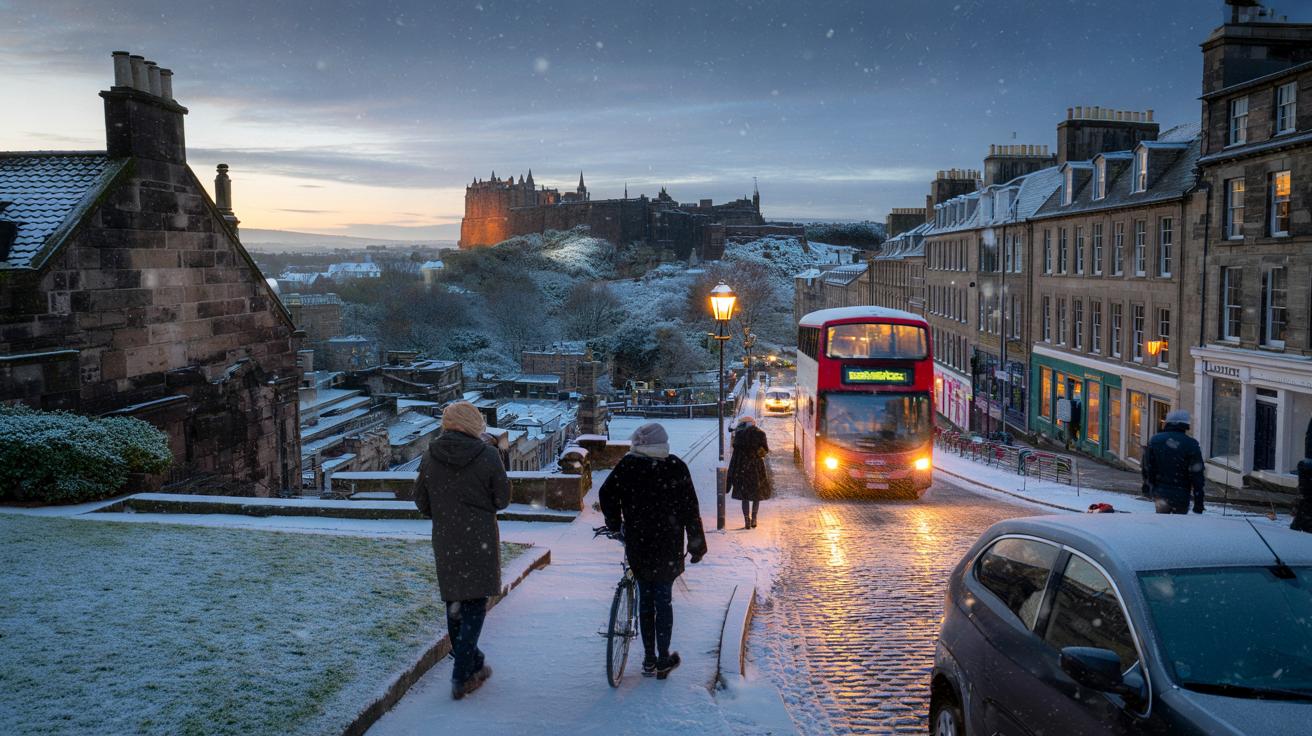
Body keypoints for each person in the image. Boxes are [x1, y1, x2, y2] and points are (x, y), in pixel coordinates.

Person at [415, 401, 511, 700]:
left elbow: (421, 501)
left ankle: (474, 662)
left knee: (455, 603)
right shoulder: (488, 454)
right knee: (474, 605)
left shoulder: (430, 455)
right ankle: (461, 675)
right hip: (479, 537)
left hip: (446, 538)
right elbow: (503, 499)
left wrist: (445, 511)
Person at [598, 422, 707, 680]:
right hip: (667, 545)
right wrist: (696, 544)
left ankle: (648, 658)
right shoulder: (675, 466)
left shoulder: (628, 466)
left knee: (645, 600)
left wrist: (615, 524)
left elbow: (606, 494)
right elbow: (690, 509)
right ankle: (662, 658)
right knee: (663, 600)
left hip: (639, 543)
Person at [1141, 409, 1206, 515]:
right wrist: (1199, 502)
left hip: (1160, 493)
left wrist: (1147, 486)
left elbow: (1147, 467)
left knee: (1162, 522)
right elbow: (1197, 475)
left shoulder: (1155, 440)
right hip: (1182, 495)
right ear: (1186, 426)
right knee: (1178, 525)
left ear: (1167, 423)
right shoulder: (1191, 444)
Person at [727, 415, 773, 528]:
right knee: (757, 495)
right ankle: (754, 519)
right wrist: (756, 454)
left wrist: (731, 475)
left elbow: (735, 456)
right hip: (756, 469)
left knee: (745, 496)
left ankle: (747, 520)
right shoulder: (761, 434)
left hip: (742, 469)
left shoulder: (739, 436)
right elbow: (764, 451)